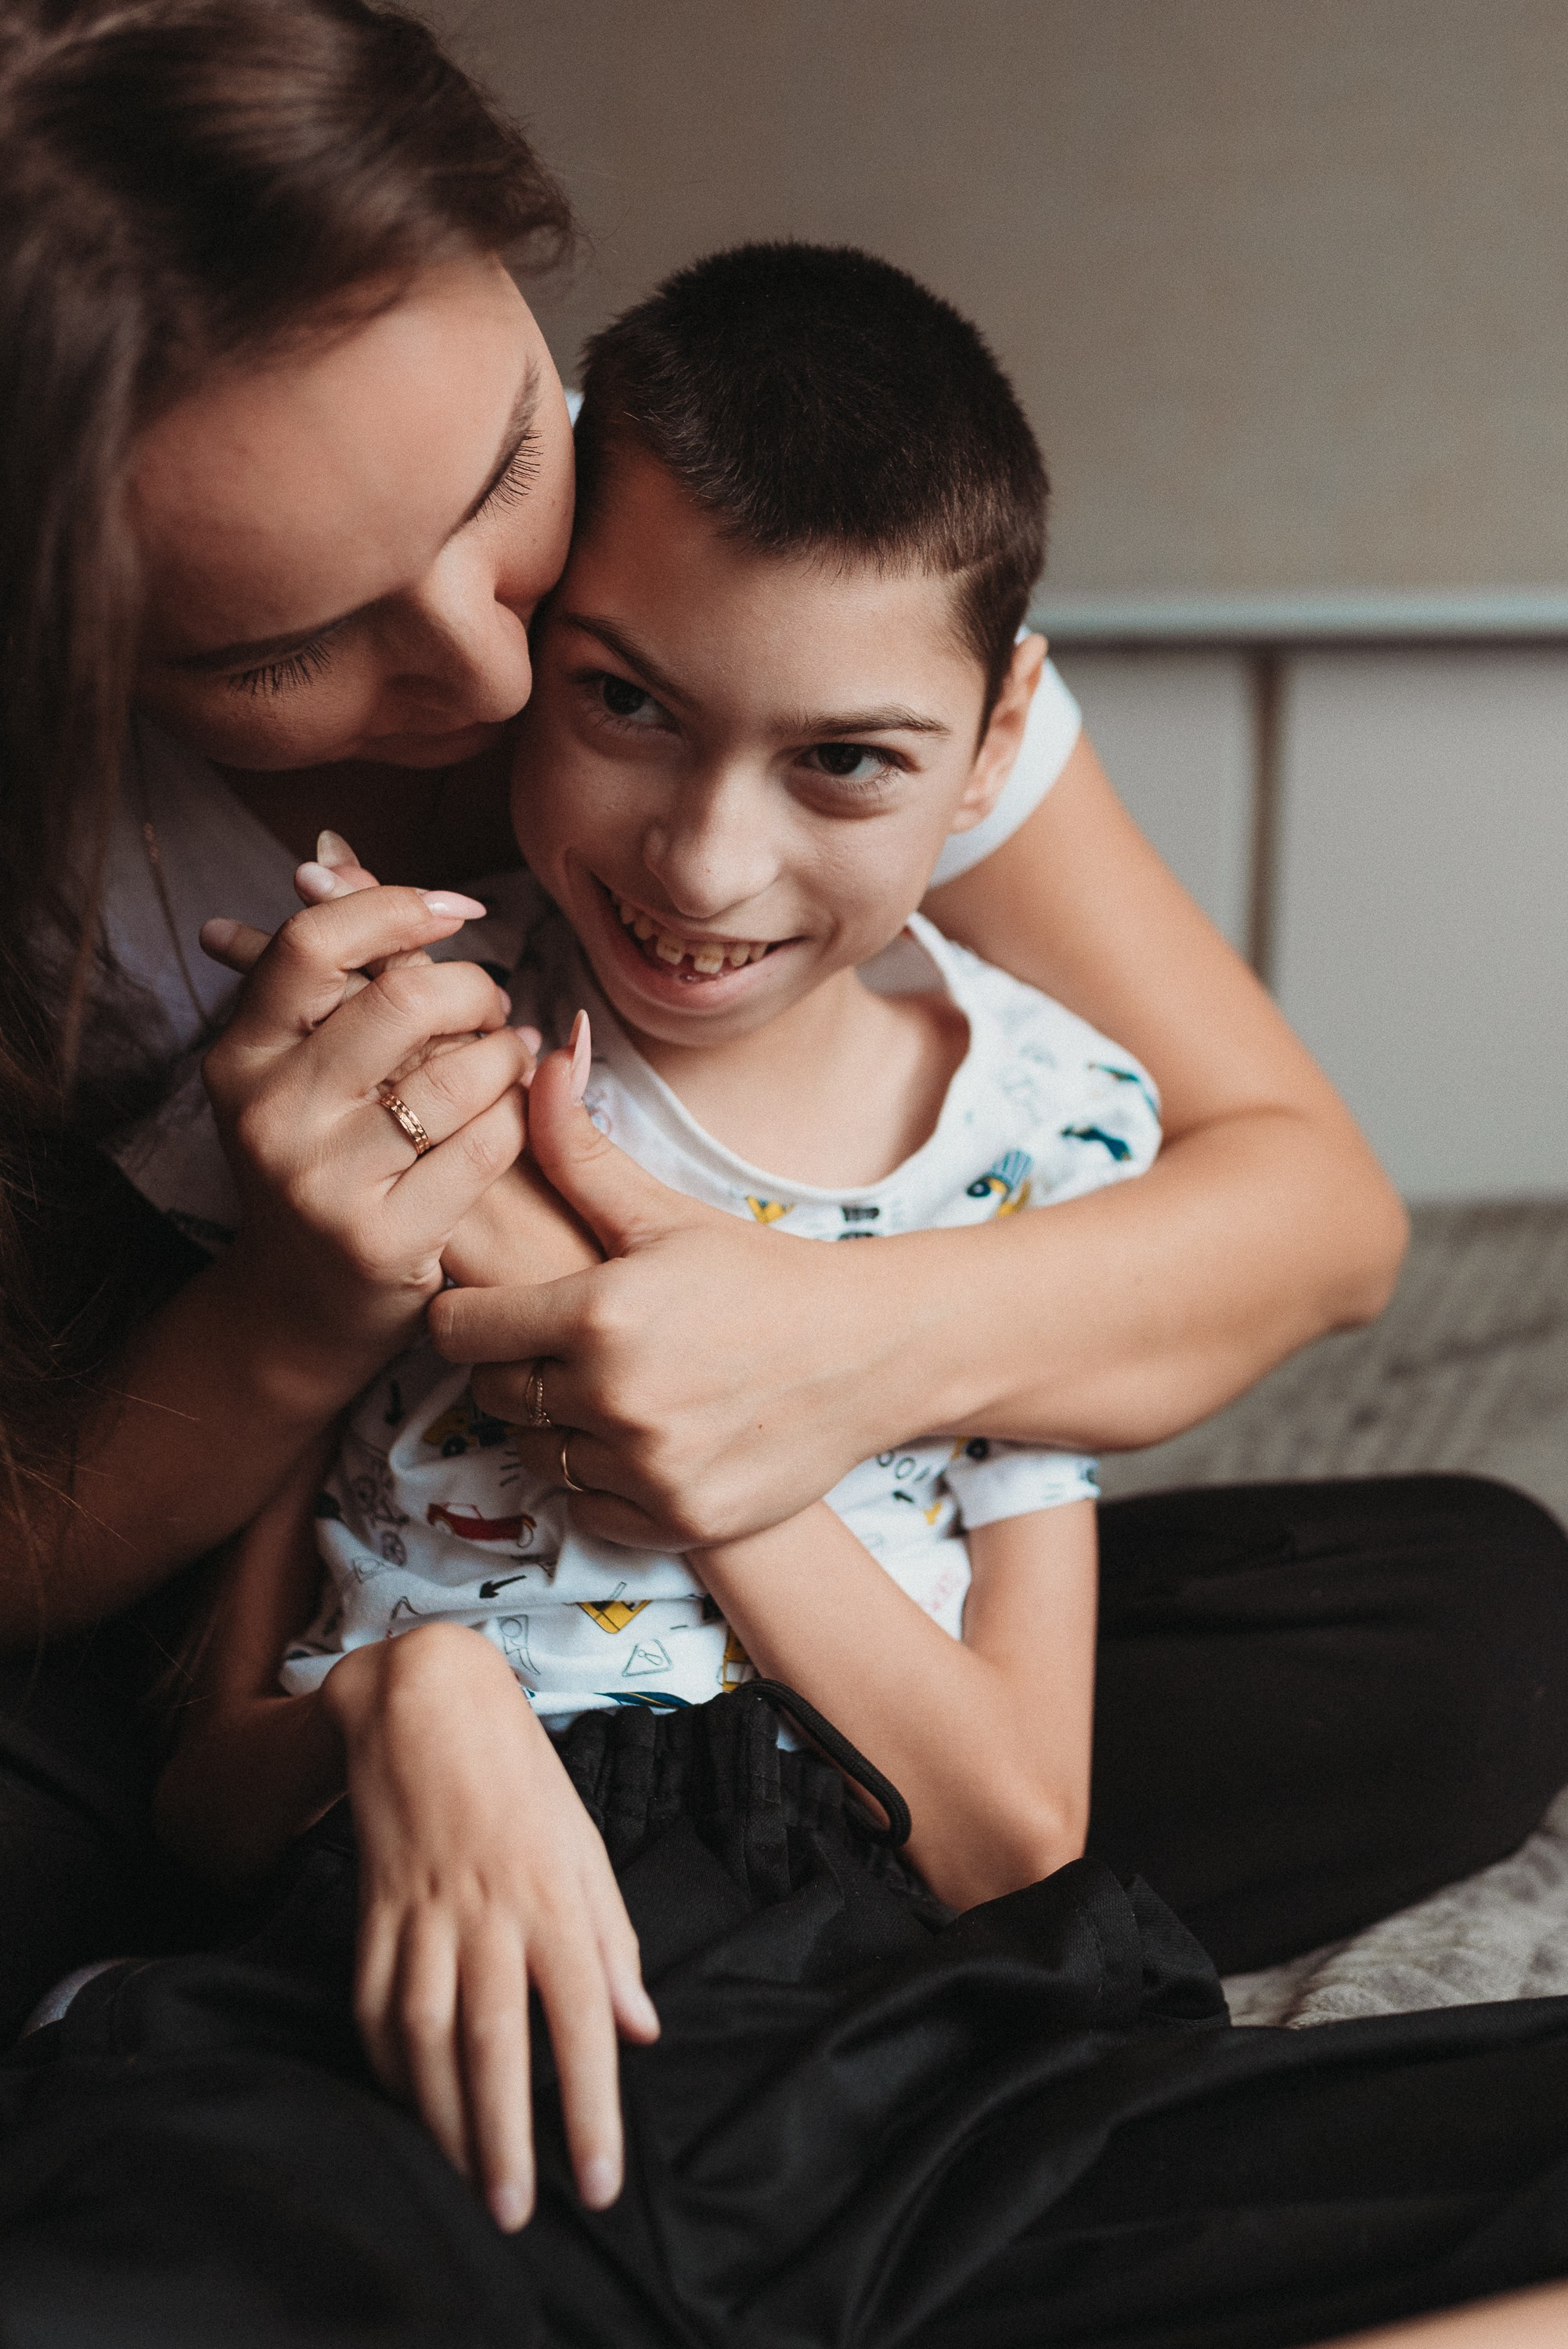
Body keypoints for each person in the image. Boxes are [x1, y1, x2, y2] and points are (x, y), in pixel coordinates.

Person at [156, 240, 1164, 2228]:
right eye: (624, 700)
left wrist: (691, 1402)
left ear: (995, 740)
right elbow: (194, 1802)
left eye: (845, 759)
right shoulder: (389, 1042)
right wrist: (405, 1694)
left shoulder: (1048, 1134)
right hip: (381, 1935)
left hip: (832, 1973)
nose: (705, 863)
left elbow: (1014, 1838)